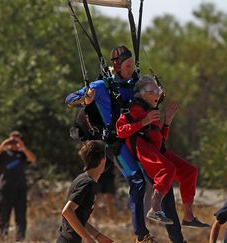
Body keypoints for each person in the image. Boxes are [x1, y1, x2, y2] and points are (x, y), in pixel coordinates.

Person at [65, 46, 186, 243]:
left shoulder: (136, 83)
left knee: (163, 182)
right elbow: (69, 99)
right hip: (117, 144)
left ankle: (178, 239)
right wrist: (85, 98)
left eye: (132, 65)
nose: (131, 69)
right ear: (117, 66)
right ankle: (142, 235)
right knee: (137, 181)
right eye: (127, 65)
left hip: (140, 140)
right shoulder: (101, 86)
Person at [116, 76, 209, 228]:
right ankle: (155, 208)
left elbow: (160, 138)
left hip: (156, 149)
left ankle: (188, 216)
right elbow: (120, 131)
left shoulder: (150, 110)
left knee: (189, 171)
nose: (159, 94)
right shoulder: (133, 109)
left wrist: (166, 123)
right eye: (155, 90)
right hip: (142, 147)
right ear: (144, 93)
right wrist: (142, 123)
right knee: (167, 169)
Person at [57, 140, 113, 243]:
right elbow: (67, 211)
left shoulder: (83, 179)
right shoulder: (86, 183)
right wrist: (88, 238)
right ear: (102, 160)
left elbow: (78, 218)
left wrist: (97, 235)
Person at [0, 130, 37, 241]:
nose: (13, 143)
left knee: (21, 217)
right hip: (5, 189)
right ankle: (3, 238)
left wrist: (23, 147)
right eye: (12, 140)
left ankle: (20, 239)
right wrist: (2, 146)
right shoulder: (3, 153)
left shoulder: (22, 154)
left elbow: (33, 160)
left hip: (20, 189)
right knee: (3, 216)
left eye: (16, 140)